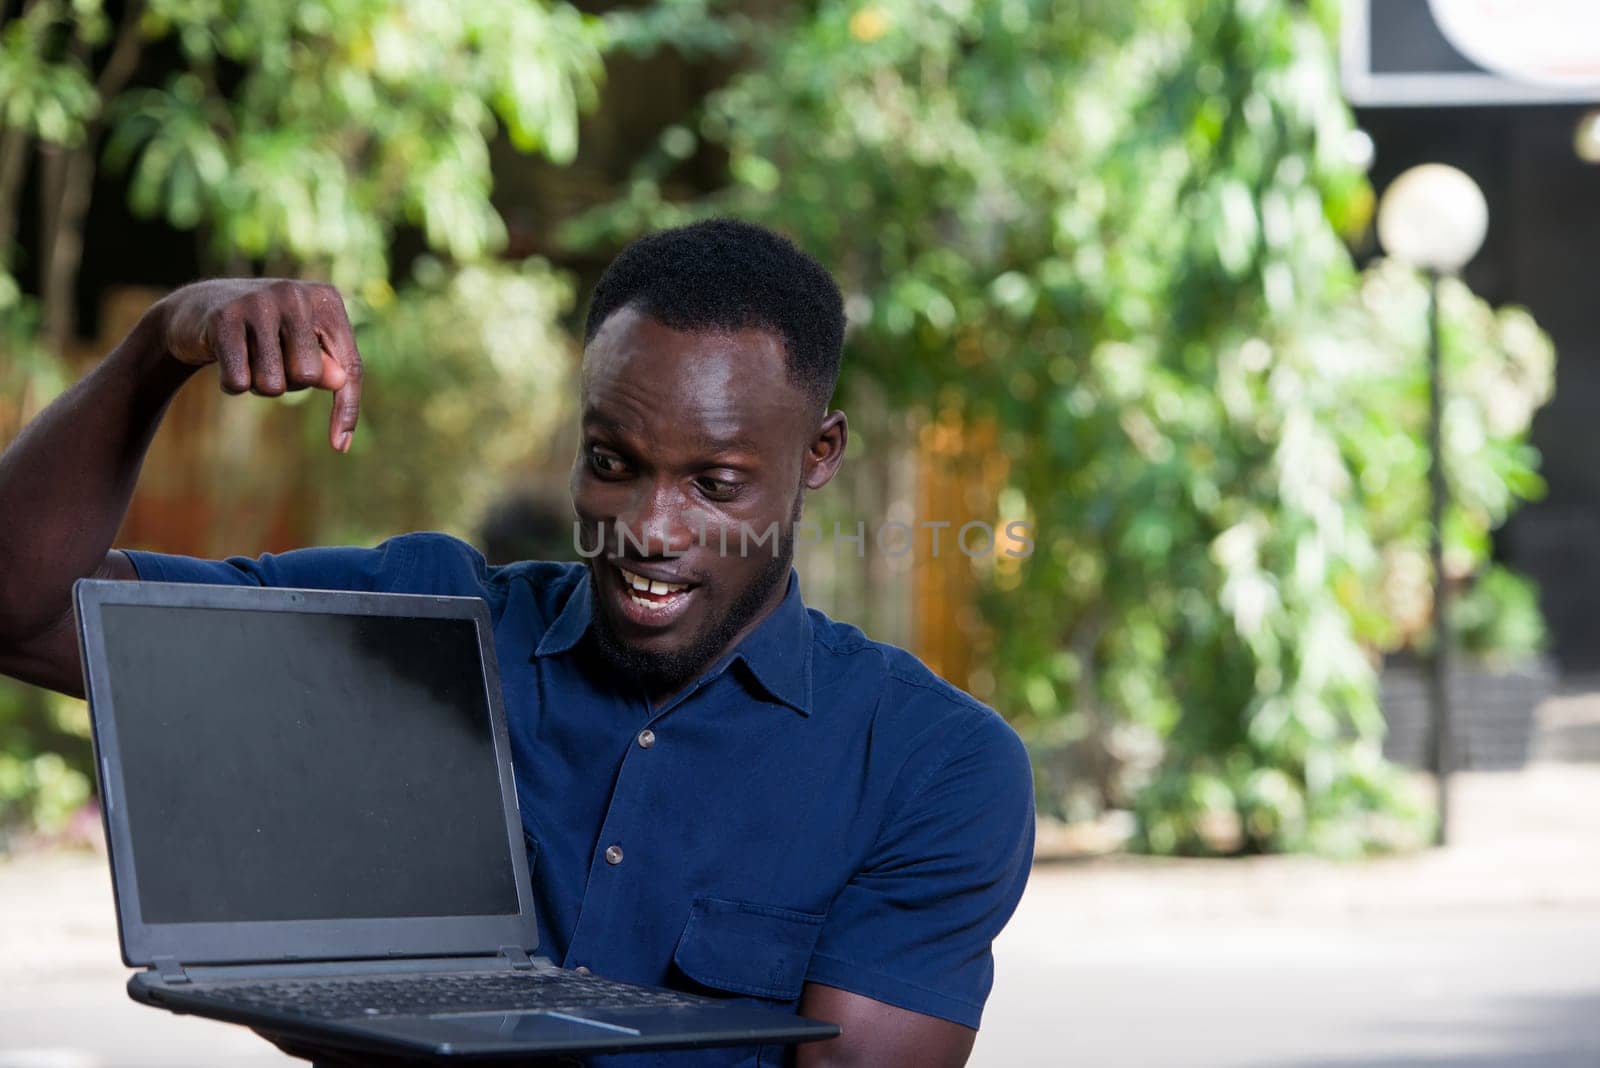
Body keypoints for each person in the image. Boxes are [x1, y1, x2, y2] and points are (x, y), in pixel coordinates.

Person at [0, 219, 1034, 1067]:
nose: (648, 528)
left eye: (714, 484)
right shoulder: (416, 620)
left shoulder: (929, 765)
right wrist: (155, 351)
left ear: (818, 456)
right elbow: (22, 610)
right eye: (611, 461)